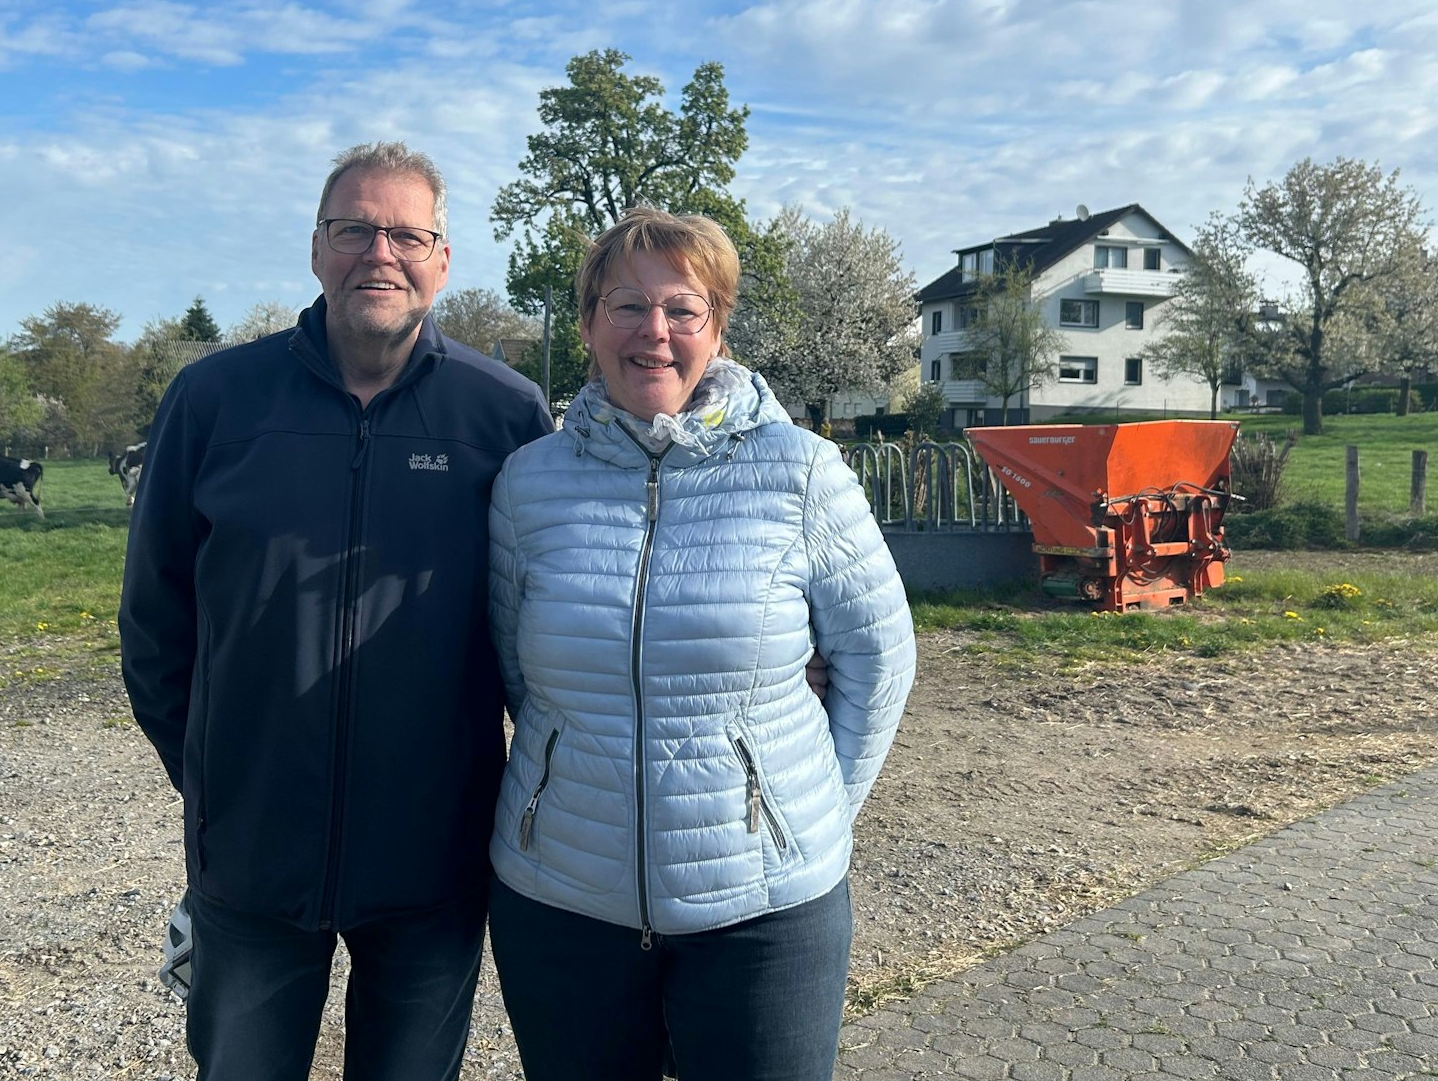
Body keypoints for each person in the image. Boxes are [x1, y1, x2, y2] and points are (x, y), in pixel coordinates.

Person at [118, 140, 553, 1080]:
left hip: (434, 861)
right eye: (354, 228)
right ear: (316, 249)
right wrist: (216, 775)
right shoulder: (213, 400)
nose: (379, 253)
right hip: (252, 858)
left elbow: (548, 617)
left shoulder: (506, 416)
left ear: (442, 259)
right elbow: (156, 623)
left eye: (406, 233)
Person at [484, 207, 916, 1080]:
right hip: (563, 899)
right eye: (625, 306)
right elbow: (518, 672)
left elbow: (879, 656)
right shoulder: (528, 483)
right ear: (587, 324)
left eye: (683, 308)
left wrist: (808, 813)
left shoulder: (799, 469)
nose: (655, 332)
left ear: (716, 328)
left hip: (764, 915)